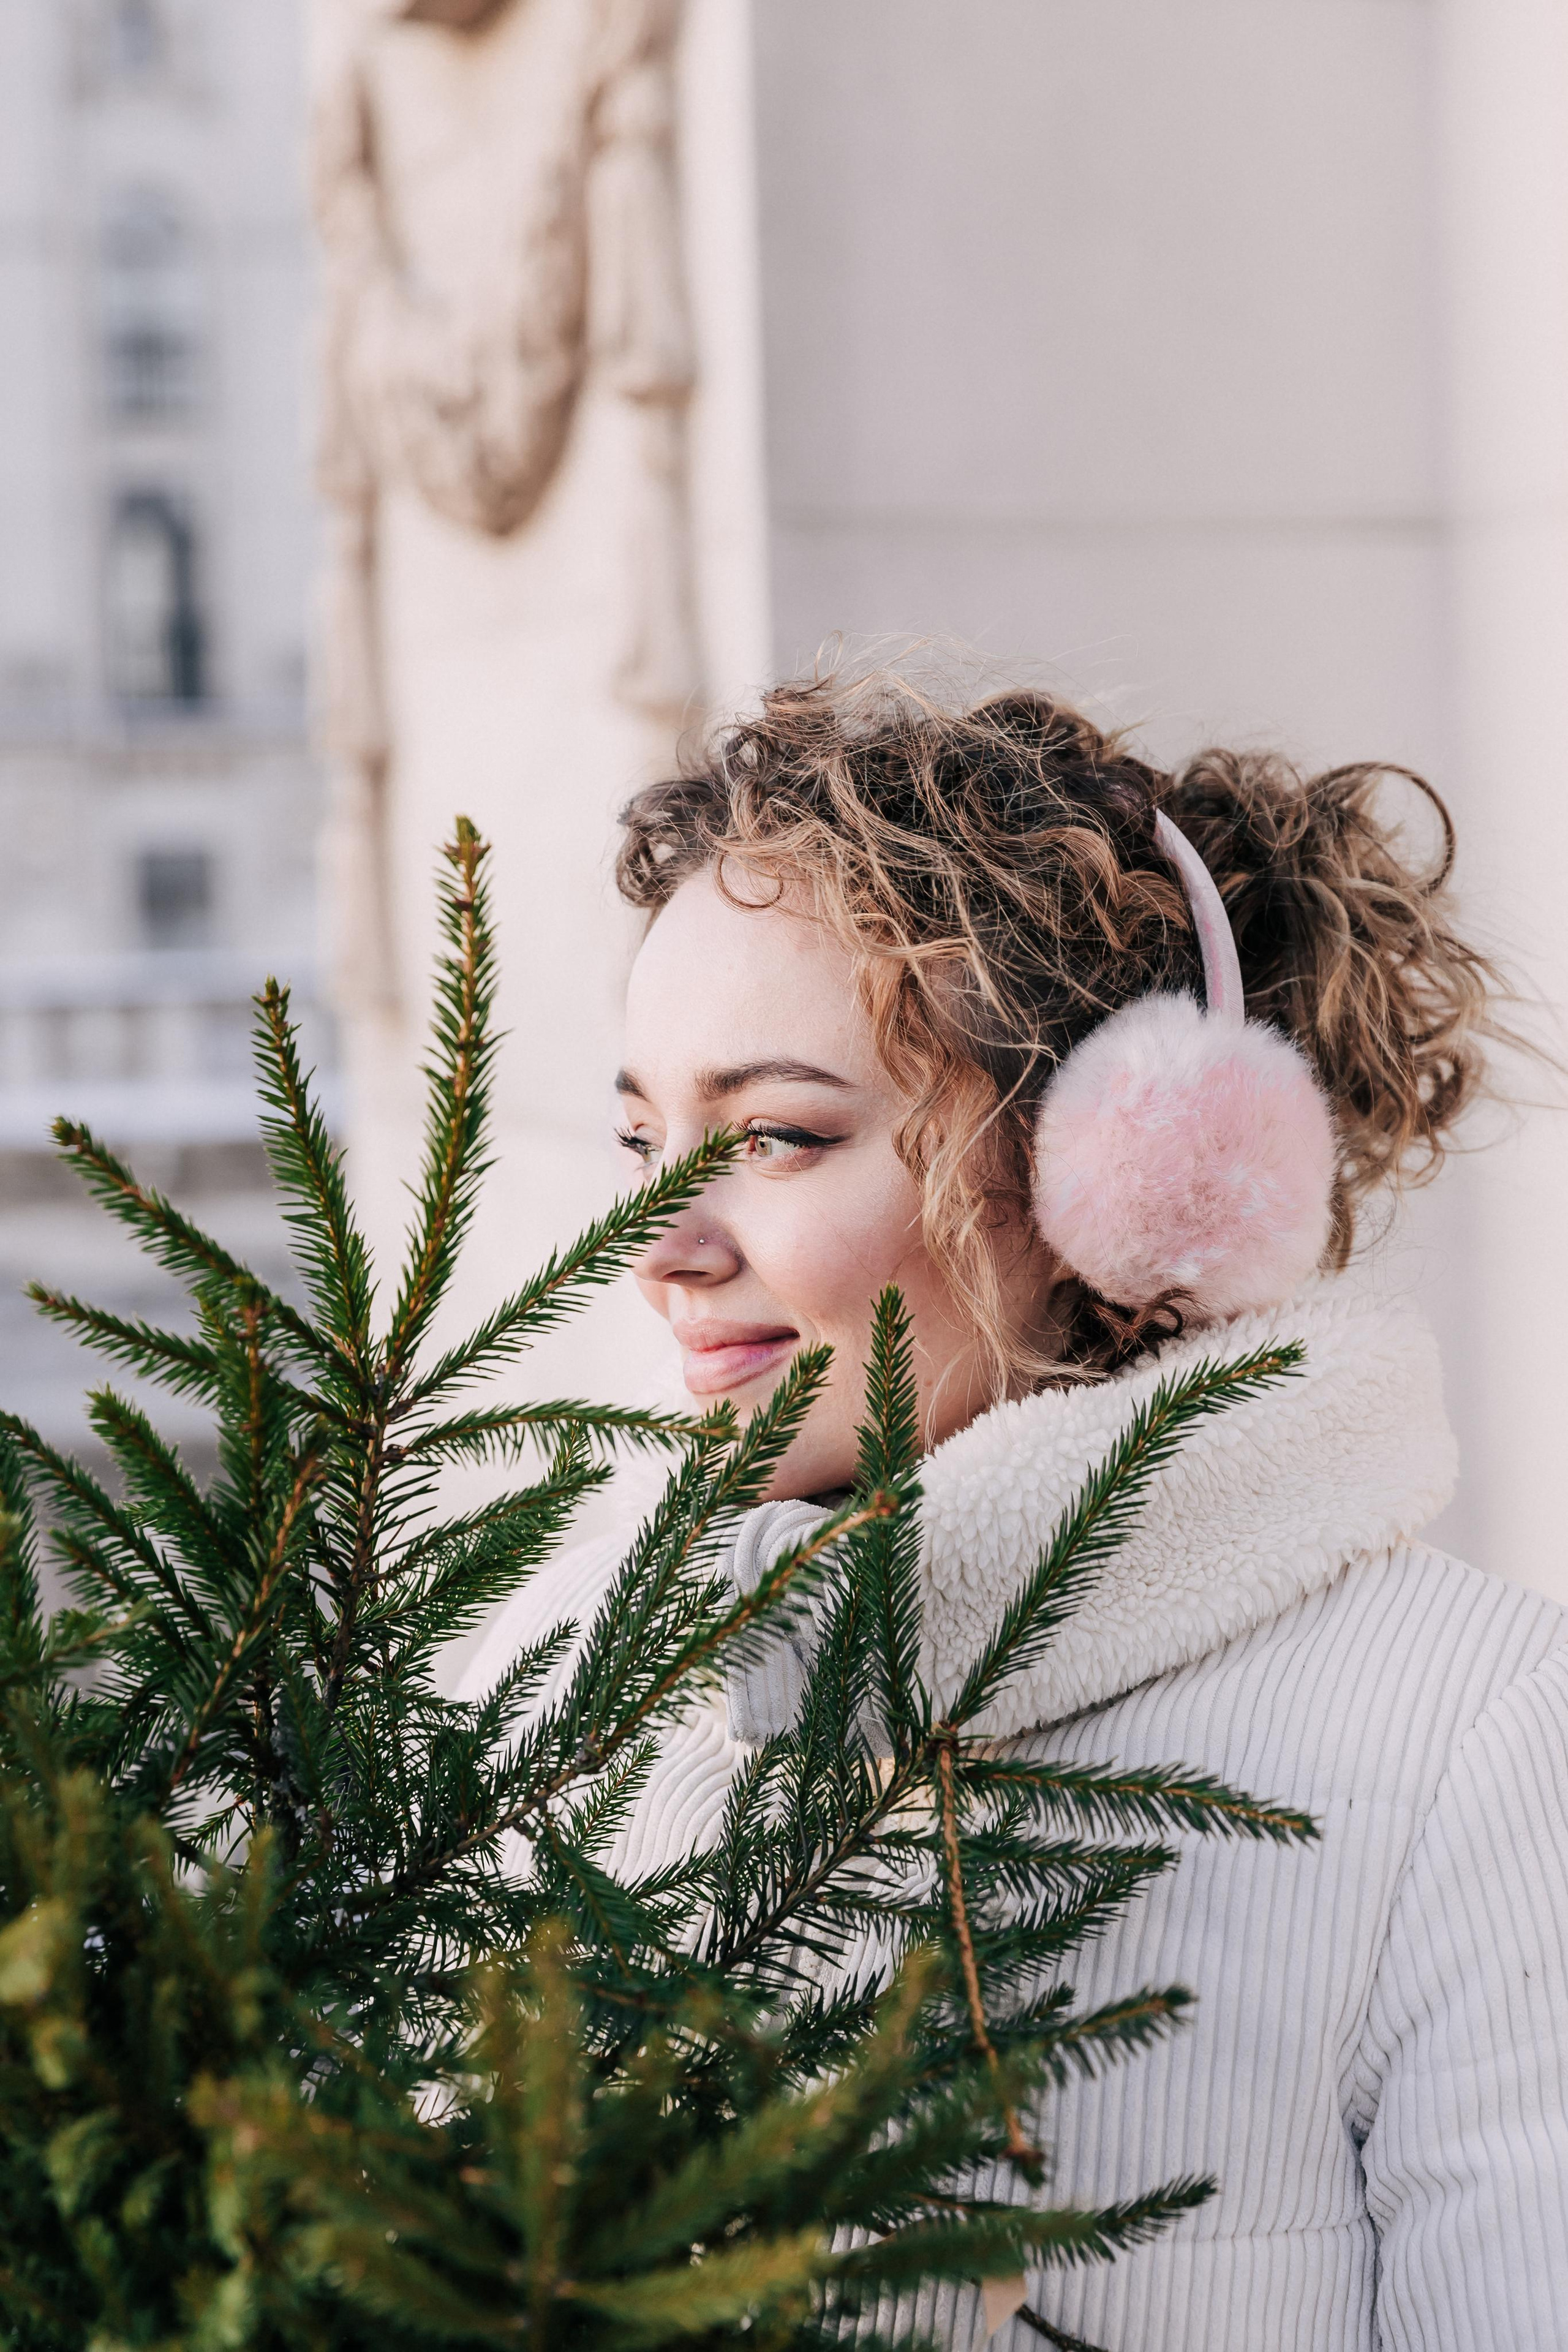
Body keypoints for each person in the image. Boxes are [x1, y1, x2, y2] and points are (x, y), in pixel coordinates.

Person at [461, 668, 1568, 2350]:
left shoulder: (1474, 1738)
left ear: (1103, 1172)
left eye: (770, 1138)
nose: (661, 1243)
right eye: (641, 1141)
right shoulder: (554, 1689)